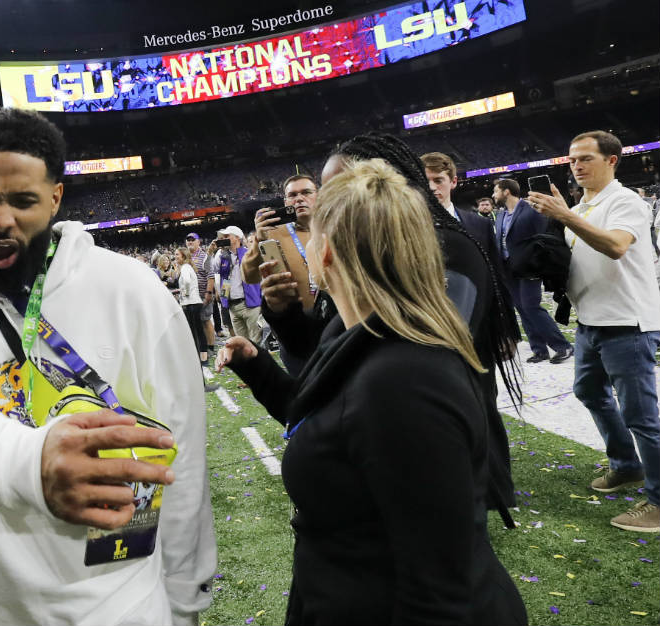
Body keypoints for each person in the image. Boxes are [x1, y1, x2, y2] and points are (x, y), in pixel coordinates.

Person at [0, 107, 215, 625]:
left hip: (119, 603)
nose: (1, 220)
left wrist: (183, 600)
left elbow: (181, 457)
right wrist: (33, 463)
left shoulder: (132, 291)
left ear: (55, 197)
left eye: (23, 201)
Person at [218, 158, 527, 625]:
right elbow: (327, 422)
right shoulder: (354, 327)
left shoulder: (404, 378)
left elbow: (443, 591)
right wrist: (258, 370)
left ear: (325, 255)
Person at [260, 133, 522, 526]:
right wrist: (284, 312)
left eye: (342, 185)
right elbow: (326, 348)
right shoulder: (360, 257)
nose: (328, 202)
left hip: (430, 442)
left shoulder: (444, 247)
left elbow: (423, 358)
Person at [528, 130, 660, 532]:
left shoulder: (626, 202)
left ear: (612, 160)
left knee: (641, 415)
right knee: (589, 391)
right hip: (592, 320)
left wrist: (565, 215)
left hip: (627, 323)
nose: (577, 166)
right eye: (572, 160)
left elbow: (617, 246)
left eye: (586, 158)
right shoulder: (584, 206)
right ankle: (626, 465)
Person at [245, 174, 320, 376]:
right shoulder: (273, 232)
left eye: (306, 192)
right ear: (285, 202)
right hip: (297, 332)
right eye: (292, 195)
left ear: (318, 196)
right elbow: (249, 277)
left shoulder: (335, 227)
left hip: (337, 326)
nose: (299, 199)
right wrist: (258, 240)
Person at [492, 177, 573, 364]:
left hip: (530, 267)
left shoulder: (530, 210)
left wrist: (542, 262)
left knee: (531, 306)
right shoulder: (501, 215)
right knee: (522, 308)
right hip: (508, 269)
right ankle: (539, 350)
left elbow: (545, 236)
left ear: (506, 191)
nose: (493, 194)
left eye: (496, 190)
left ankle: (563, 346)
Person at [422, 152, 498, 257]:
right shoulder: (402, 227)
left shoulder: (482, 225)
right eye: (425, 181)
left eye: (438, 180)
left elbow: (496, 271)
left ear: (453, 182)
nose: (431, 187)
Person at [213, 225, 262, 344]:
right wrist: (211, 253)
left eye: (227, 236)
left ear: (236, 238)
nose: (223, 238)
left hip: (250, 304)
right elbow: (211, 269)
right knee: (242, 343)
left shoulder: (249, 253)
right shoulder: (222, 256)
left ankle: (258, 362)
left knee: (256, 342)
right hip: (233, 305)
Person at [185, 233, 216, 353]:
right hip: (191, 296)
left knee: (206, 320)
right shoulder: (186, 258)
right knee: (197, 322)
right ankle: (202, 346)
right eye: (188, 240)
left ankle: (211, 346)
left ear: (199, 242)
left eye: (193, 240)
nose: (190, 242)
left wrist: (208, 293)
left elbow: (211, 276)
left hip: (203, 294)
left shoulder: (204, 256)